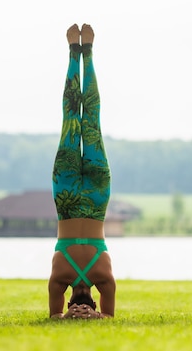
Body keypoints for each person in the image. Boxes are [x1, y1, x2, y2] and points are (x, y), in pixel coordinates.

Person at [48, 23, 116, 319]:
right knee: (72, 120)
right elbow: (54, 316)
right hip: (67, 197)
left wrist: (95, 316)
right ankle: (76, 52)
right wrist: (67, 316)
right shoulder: (60, 278)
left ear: (97, 301)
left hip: (96, 198)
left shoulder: (104, 278)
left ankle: (85, 52)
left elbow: (109, 318)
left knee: (90, 121)